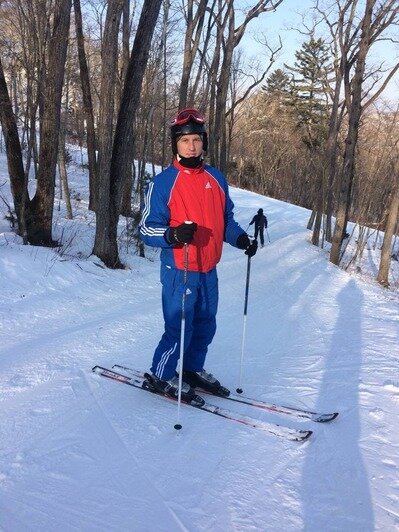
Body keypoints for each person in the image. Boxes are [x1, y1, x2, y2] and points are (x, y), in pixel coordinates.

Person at [139, 108, 257, 405]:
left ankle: (191, 369)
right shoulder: (163, 183)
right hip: (180, 268)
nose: (191, 146)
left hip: (208, 268)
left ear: (203, 142)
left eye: (196, 140)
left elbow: (226, 219)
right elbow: (145, 229)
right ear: (175, 144)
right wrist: (172, 235)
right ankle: (161, 373)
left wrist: (241, 238)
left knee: (206, 324)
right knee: (180, 326)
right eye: (185, 140)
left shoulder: (216, 178)